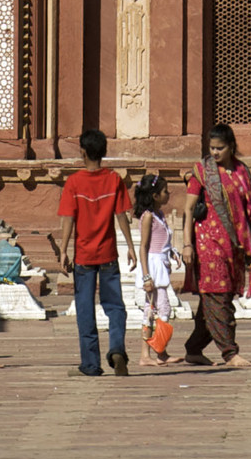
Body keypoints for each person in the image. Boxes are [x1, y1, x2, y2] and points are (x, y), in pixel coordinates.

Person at [183, 123, 251, 370]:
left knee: (220, 296)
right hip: (207, 241)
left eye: (220, 148)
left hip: (234, 244)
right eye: (212, 148)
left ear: (231, 147)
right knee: (218, 296)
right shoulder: (202, 172)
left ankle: (194, 349)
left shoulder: (241, 171)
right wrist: (187, 244)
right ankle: (230, 352)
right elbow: (188, 208)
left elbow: (248, 210)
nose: (215, 153)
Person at [58, 128, 135, 379]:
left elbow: (69, 219)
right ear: (103, 152)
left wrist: (63, 250)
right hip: (108, 255)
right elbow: (121, 216)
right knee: (115, 307)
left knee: (85, 309)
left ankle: (90, 364)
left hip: (83, 257)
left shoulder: (74, 182)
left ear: (83, 152)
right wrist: (131, 247)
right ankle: (116, 349)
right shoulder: (114, 180)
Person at [134, 173, 176, 368]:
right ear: (155, 196)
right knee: (158, 308)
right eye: (165, 191)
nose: (168, 194)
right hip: (153, 266)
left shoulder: (159, 215)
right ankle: (150, 352)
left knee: (154, 308)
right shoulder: (148, 216)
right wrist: (146, 276)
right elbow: (144, 246)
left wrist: (173, 252)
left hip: (160, 263)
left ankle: (160, 352)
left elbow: (163, 241)